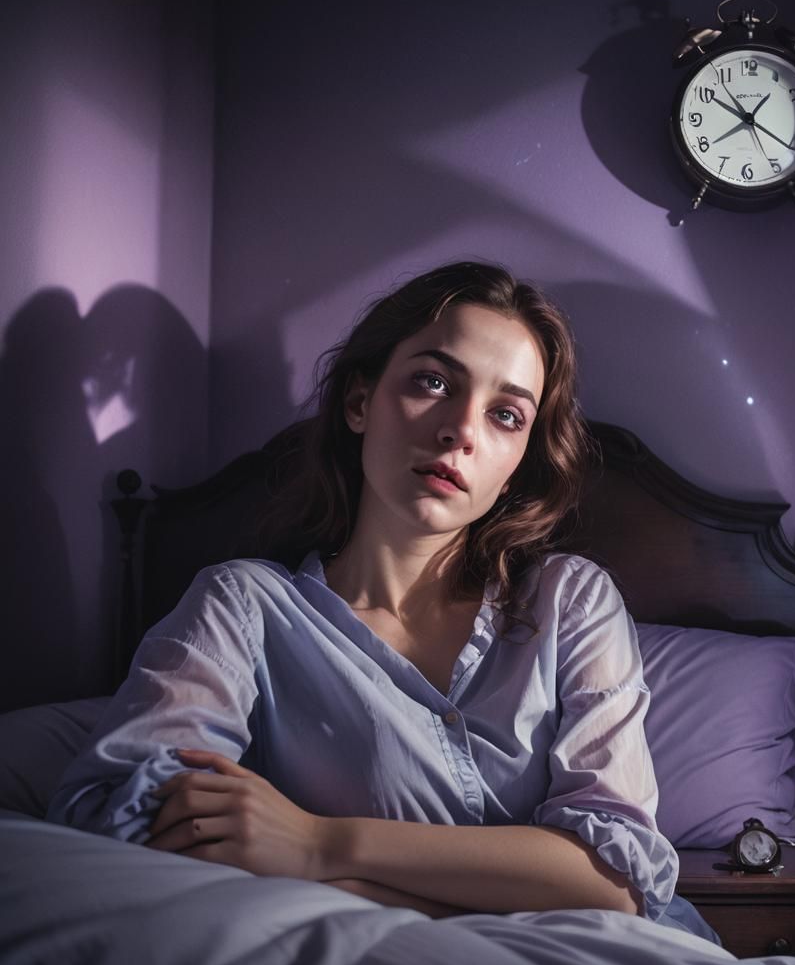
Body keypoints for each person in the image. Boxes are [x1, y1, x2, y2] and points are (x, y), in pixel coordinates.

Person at [47, 261, 681, 923]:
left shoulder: (572, 602)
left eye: (506, 415)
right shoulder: (245, 609)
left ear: (520, 458)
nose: (461, 430)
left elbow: (615, 881)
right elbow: (123, 818)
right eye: (434, 381)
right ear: (359, 401)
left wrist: (320, 845)